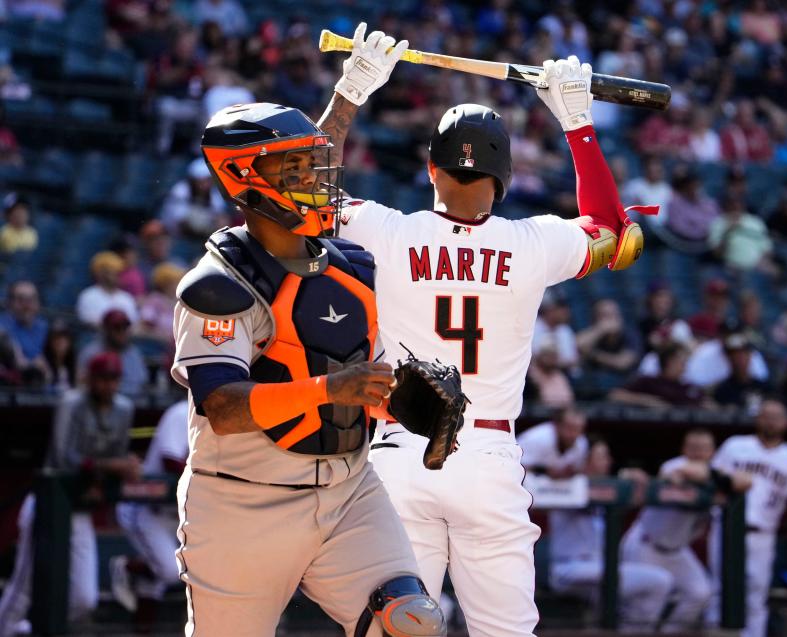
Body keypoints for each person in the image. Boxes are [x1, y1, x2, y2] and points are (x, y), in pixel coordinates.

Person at [324, 34, 649, 636]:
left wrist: (350, 92)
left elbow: (307, 197)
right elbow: (616, 233)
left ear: (431, 171)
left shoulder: (387, 231)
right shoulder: (532, 242)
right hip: (489, 455)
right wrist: (576, 121)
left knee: (399, 628)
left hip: (399, 452)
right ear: (504, 178)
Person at [170, 36, 445, 637]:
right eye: (290, 167)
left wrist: (398, 403)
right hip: (243, 501)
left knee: (413, 624)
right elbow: (221, 408)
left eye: (311, 162)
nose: (313, 176)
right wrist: (332, 388)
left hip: (349, 487)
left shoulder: (349, 265)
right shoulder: (218, 284)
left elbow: (358, 385)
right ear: (246, 179)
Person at [0, 353, 140, 635]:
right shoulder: (71, 403)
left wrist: (120, 467)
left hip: (80, 510)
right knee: (23, 587)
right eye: (103, 378)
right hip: (49, 502)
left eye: (114, 379)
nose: (108, 385)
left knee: (84, 599)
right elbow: (65, 458)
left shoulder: (124, 409)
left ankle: (27, 629)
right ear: (90, 378)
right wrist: (113, 465)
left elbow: (118, 457)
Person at [621, 429, 751, 633]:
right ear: (684, 449)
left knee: (700, 593)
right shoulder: (674, 465)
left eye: (704, 449)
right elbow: (684, 473)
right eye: (694, 448)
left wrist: (720, 479)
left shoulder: (716, 473)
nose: (699, 453)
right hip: (647, 545)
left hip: (677, 551)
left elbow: (746, 481)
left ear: (712, 452)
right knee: (644, 612)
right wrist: (719, 481)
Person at [711, 399, 787, 637]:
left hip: (763, 534)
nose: (770, 421)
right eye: (765, 416)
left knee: (755, 596)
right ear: (757, 418)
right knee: (719, 590)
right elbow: (713, 476)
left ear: (786, 423)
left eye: (776, 417)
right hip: (726, 528)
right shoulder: (735, 445)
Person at [548, 438, 673, 631]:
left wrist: (636, 484)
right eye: (602, 457)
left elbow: (635, 497)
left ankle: (628, 630)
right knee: (650, 581)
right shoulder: (569, 484)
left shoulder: (608, 489)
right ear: (585, 461)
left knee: (658, 581)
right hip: (570, 568)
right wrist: (623, 477)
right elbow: (591, 490)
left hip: (598, 569)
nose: (608, 461)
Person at [111, 399, 188, 628]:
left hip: (176, 514)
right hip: (146, 509)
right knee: (170, 571)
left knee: (152, 585)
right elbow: (171, 460)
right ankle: (126, 566)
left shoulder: (220, 420)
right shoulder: (181, 412)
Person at [76, 309, 148, 397]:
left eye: (125, 328)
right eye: (117, 328)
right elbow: (81, 384)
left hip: (133, 404)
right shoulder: (91, 353)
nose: (122, 332)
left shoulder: (134, 353)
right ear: (106, 329)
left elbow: (142, 384)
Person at [518, 405, 588, 479]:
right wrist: (545, 471)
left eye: (578, 429)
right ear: (557, 425)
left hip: (558, 486)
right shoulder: (537, 438)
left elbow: (578, 471)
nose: (574, 434)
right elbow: (515, 467)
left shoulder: (581, 443)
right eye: (570, 428)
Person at [575, 298, 640, 374]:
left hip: (625, 381)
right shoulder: (593, 333)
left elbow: (623, 363)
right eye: (604, 315)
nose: (609, 319)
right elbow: (574, 345)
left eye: (612, 314)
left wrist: (593, 354)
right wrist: (600, 329)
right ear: (594, 318)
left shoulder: (630, 334)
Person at [76, 251, 140, 327]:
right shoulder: (88, 295)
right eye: (112, 272)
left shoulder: (127, 298)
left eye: (119, 272)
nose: (117, 275)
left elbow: (133, 326)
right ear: (100, 273)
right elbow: (88, 324)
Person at [0, 280, 48, 382]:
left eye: (32, 299)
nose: (27, 305)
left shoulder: (43, 327)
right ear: (10, 302)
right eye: (21, 300)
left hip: (40, 386)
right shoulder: (2, 326)